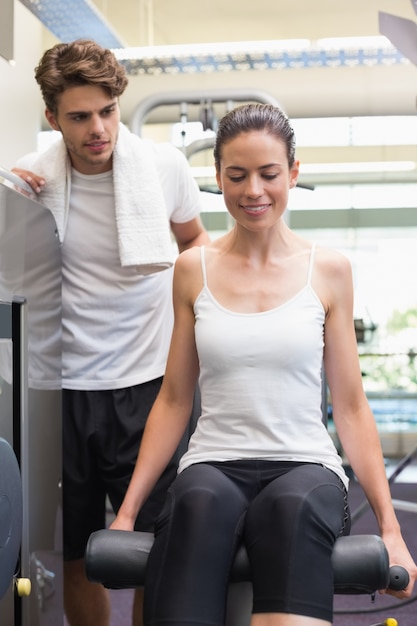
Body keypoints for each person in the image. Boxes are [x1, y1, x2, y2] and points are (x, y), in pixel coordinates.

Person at [110, 102, 417, 626]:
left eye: (269, 174)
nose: (253, 190)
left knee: (289, 511)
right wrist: (127, 514)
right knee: (195, 504)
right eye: (237, 175)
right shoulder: (191, 270)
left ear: (293, 174)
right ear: (218, 178)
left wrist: (390, 527)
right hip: (213, 463)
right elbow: (174, 399)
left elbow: (349, 404)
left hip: (304, 465)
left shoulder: (329, 271)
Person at [12, 39, 209, 626]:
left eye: (106, 111)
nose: (98, 129)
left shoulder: (165, 168)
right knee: (77, 554)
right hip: (57, 389)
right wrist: (13, 206)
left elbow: (195, 244)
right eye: (78, 117)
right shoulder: (30, 182)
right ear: (53, 118)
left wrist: (184, 327)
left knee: (153, 551)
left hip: (149, 385)